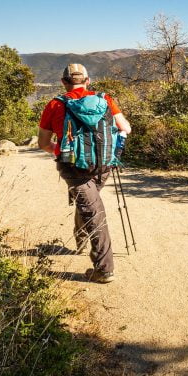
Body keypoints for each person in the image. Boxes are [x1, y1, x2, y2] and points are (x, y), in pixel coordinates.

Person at [38, 63, 132, 284]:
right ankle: (81, 239)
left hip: (72, 167)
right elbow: (125, 128)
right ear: (88, 80)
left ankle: (104, 270)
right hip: (103, 165)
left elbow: (43, 143)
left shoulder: (55, 104)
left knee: (93, 210)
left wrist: (61, 151)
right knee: (90, 204)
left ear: (63, 82)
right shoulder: (105, 100)